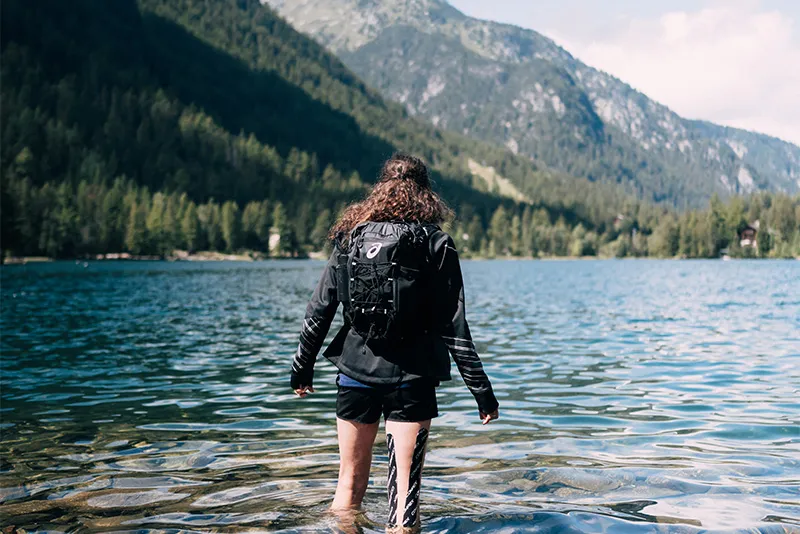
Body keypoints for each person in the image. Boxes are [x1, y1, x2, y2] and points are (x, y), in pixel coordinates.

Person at [290, 153, 499, 531]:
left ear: (380, 188)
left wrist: (302, 369)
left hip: (354, 375)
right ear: (425, 193)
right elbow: (454, 325)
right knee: (404, 498)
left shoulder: (351, 238)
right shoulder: (436, 242)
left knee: (347, 486)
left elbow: (319, 309)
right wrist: (482, 393)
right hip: (411, 380)